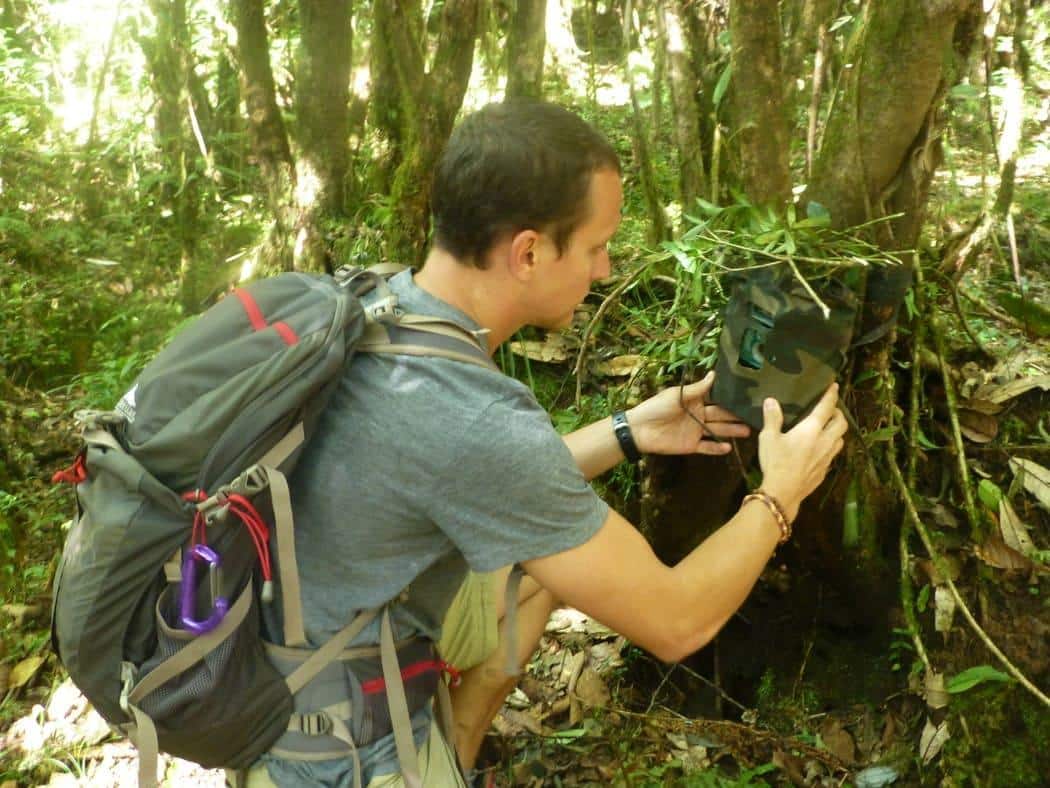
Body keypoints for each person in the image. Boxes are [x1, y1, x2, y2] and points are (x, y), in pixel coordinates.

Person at [236, 100, 847, 787]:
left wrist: (629, 431)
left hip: (269, 660)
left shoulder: (382, 304)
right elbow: (676, 623)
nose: (606, 270)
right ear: (528, 252)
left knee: (530, 580)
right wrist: (781, 493)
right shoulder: (472, 417)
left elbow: (473, 480)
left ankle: (456, 753)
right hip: (332, 757)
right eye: (595, 246)